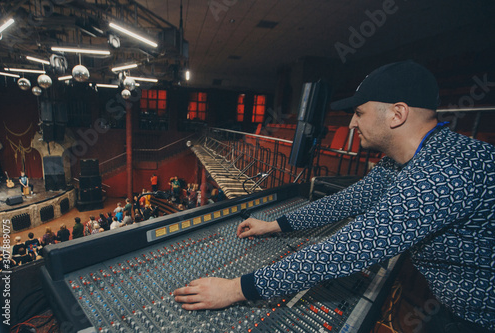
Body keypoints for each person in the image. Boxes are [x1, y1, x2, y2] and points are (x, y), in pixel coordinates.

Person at [174, 61, 495, 332]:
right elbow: (347, 201)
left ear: (397, 114)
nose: (353, 123)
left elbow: (351, 247)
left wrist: (235, 288)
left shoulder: (440, 172)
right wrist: (275, 226)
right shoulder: (413, 159)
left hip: (479, 316)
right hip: (454, 304)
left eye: (359, 112)